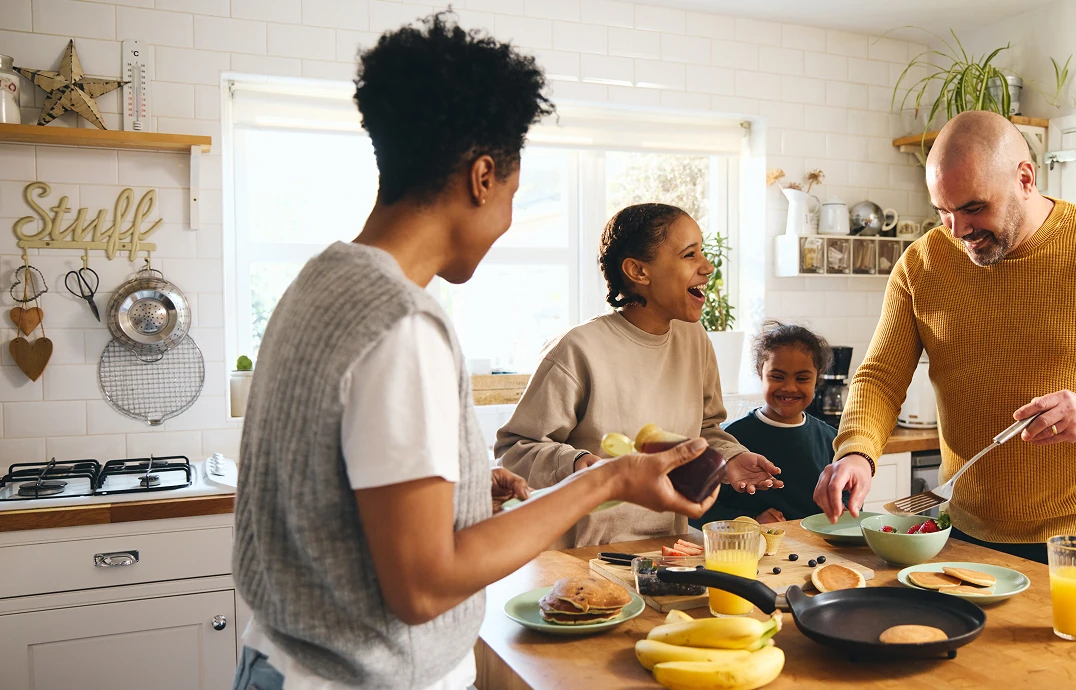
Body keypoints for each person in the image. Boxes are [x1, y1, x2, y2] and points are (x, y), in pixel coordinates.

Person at [232, 15, 724, 690]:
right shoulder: (403, 325)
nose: (508, 218)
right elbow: (425, 585)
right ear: (483, 177)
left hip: (278, 658)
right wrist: (606, 479)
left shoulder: (319, 282)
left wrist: (462, 489)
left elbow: (335, 488)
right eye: (515, 195)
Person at [813, 110, 1076, 583]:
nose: (957, 230)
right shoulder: (922, 264)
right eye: (943, 211)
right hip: (960, 528)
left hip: (1075, 539)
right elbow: (881, 377)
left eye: (972, 208)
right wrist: (856, 451)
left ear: (1025, 178)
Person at [497, 203, 783, 548]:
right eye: (690, 255)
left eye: (703, 253)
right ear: (638, 271)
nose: (707, 268)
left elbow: (704, 430)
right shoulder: (577, 349)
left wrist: (729, 458)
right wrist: (578, 464)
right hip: (584, 556)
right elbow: (515, 451)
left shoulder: (695, 340)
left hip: (668, 548)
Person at [693, 321, 838, 527]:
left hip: (816, 555)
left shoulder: (831, 440)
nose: (789, 387)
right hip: (748, 553)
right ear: (760, 372)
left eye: (802, 378)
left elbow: (848, 503)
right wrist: (751, 522)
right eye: (777, 376)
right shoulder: (729, 441)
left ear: (817, 377)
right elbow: (699, 509)